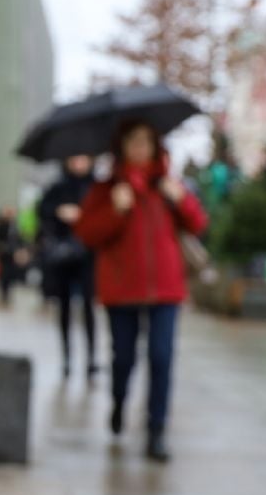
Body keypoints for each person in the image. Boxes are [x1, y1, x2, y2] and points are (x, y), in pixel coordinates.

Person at [75, 120, 208, 462]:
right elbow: (88, 234)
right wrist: (117, 210)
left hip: (165, 288)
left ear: (155, 147)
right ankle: (119, 401)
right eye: (133, 142)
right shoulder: (106, 191)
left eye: (146, 142)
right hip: (122, 288)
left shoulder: (166, 187)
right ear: (122, 148)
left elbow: (197, 224)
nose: (140, 149)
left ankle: (156, 430)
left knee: (162, 358)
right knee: (124, 358)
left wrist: (181, 201)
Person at [37, 154, 97, 381]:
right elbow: (42, 212)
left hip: (88, 256)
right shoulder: (57, 187)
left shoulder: (95, 187)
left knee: (89, 308)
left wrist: (84, 217)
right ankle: (67, 358)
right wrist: (59, 212)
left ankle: (91, 359)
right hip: (63, 258)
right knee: (64, 309)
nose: (79, 162)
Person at [0, 206, 24, 306]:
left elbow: (19, 240)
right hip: (4, 255)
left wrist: (19, 251)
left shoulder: (15, 226)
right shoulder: (2, 226)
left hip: (12, 255)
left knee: (11, 275)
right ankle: (4, 294)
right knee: (4, 275)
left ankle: (8, 294)